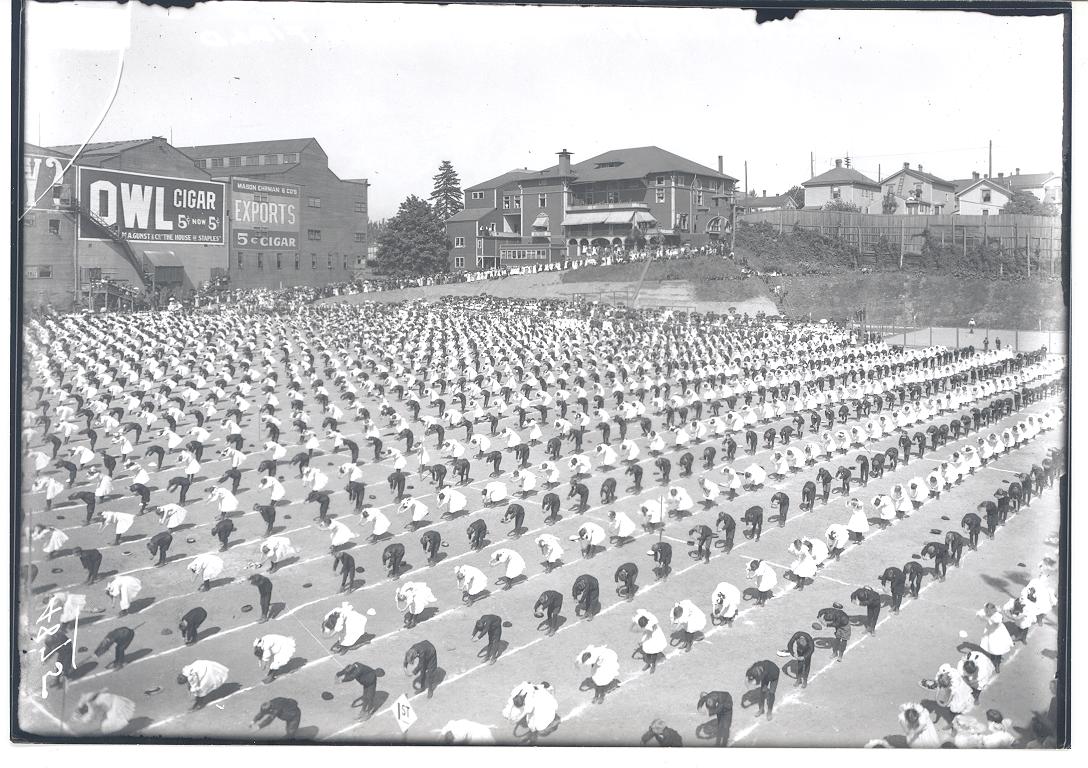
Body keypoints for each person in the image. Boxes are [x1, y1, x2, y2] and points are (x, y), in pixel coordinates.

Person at [977, 602, 1014, 671]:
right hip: (990, 632)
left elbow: (996, 621)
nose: (987, 612)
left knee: (998, 649)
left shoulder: (997, 616)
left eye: (988, 610)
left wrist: (987, 618)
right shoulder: (989, 613)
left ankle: (997, 665)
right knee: (991, 647)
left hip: (998, 634)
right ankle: (993, 658)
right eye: (987, 610)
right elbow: (980, 613)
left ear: (993, 610)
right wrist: (983, 615)